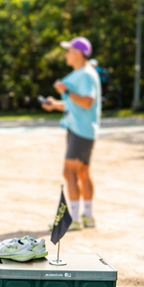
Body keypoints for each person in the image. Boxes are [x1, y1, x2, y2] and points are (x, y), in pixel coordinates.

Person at [41, 36, 102, 229]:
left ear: (78, 53)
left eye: (68, 51)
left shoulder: (85, 74)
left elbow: (87, 101)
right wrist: (55, 105)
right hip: (83, 130)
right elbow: (76, 104)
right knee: (83, 173)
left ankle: (74, 219)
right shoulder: (85, 73)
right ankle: (88, 217)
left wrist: (66, 91)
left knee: (69, 173)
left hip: (80, 131)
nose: (66, 55)